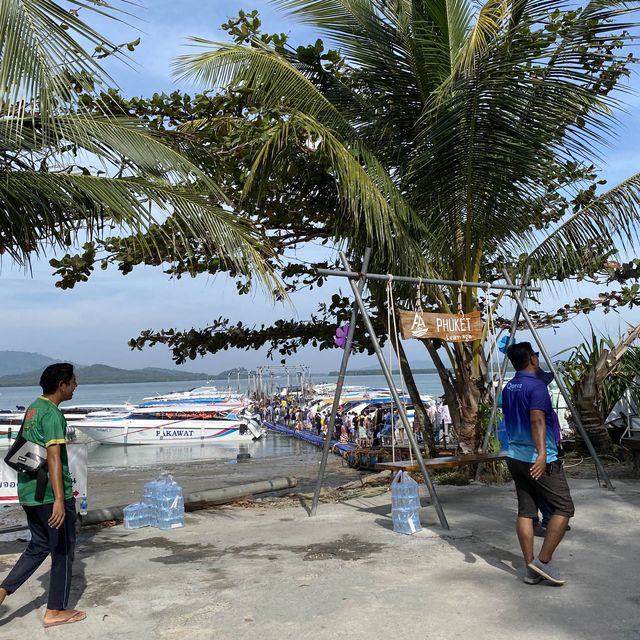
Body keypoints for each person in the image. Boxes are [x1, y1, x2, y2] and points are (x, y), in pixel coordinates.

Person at [0, 363, 86, 627]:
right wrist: (60, 500)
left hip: (29, 492)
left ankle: (2, 591)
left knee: (38, 546)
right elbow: (53, 458)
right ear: (62, 385)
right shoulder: (51, 414)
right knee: (62, 550)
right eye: (73, 381)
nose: (75, 386)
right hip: (49, 495)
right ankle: (55, 610)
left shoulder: (33, 408)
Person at [503, 343, 574, 586]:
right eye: (536, 355)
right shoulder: (537, 387)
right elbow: (537, 421)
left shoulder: (508, 387)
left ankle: (530, 568)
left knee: (526, 511)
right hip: (537, 458)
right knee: (564, 508)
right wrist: (542, 454)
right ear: (532, 359)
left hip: (514, 455)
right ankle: (542, 563)